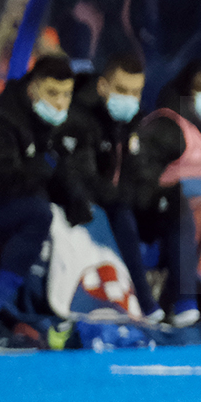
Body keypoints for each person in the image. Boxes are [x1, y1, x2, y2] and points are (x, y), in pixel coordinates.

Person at [0, 55, 88, 349]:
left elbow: (59, 166)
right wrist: (42, 172)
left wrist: (74, 198)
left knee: (39, 214)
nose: (60, 102)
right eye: (52, 93)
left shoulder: (51, 121)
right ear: (33, 89)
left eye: (66, 94)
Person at [130, 58, 201, 327]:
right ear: (189, 93)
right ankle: (187, 301)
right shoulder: (168, 127)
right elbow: (143, 181)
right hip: (164, 214)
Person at [61, 52, 162, 317]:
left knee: (173, 207)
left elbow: (141, 171)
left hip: (119, 200)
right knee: (122, 212)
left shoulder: (133, 121)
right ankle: (145, 301)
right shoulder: (79, 118)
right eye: (121, 90)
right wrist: (123, 197)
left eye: (135, 92)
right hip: (87, 202)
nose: (128, 99)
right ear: (102, 86)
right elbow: (81, 175)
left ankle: (185, 302)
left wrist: (154, 198)